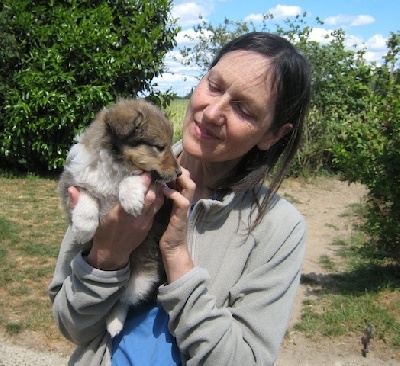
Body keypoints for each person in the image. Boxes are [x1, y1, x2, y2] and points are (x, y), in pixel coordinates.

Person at [49, 31, 311, 366]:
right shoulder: (119, 173)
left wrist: (177, 259)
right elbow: (72, 326)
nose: (212, 112)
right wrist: (107, 256)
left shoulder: (279, 228)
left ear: (274, 134)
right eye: (214, 85)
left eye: (244, 108)